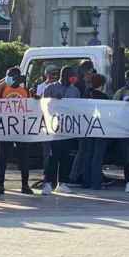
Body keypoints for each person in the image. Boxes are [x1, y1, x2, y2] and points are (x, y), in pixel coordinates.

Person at [0, 67, 33, 195]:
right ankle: (0, 185)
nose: (8, 78)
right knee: (3, 158)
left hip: (21, 130)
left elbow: (32, 108)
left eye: (10, 75)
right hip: (6, 129)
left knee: (24, 158)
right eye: (7, 75)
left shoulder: (26, 91)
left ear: (18, 77)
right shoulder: (2, 90)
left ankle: (25, 185)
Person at [41, 65, 81, 196]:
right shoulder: (50, 88)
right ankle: (47, 183)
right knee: (52, 157)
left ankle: (62, 183)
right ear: (63, 75)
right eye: (71, 75)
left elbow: (78, 108)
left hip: (67, 129)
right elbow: (42, 106)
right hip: (53, 129)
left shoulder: (75, 91)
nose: (73, 77)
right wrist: (53, 101)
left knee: (65, 157)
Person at [82, 74, 111, 190]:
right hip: (100, 129)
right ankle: (96, 183)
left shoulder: (86, 95)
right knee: (97, 156)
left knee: (88, 154)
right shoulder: (104, 97)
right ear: (102, 84)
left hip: (87, 128)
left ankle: (86, 182)